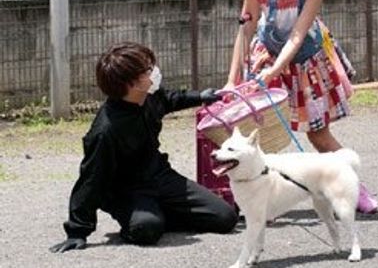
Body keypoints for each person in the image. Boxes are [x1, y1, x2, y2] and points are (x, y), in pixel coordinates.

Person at [225, 0, 378, 214]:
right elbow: (245, 29)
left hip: (305, 61)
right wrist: (232, 80)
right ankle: (257, 198)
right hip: (266, 56)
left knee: (317, 134)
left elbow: (298, 34)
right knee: (259, 132)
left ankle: (352, 187)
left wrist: (278, 68)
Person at [50, 42, 238, 253]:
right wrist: (77, 230)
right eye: (148, 70)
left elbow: (169, 99)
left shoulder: (149, 95)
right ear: (132, 83)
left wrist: (201, 97)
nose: (154, 72)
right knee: (147, 230)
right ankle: (144, 217)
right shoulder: (106, 131)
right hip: (127, 190)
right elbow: (91, 177)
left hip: (160, 176)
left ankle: (158, 212)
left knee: (225, 217)